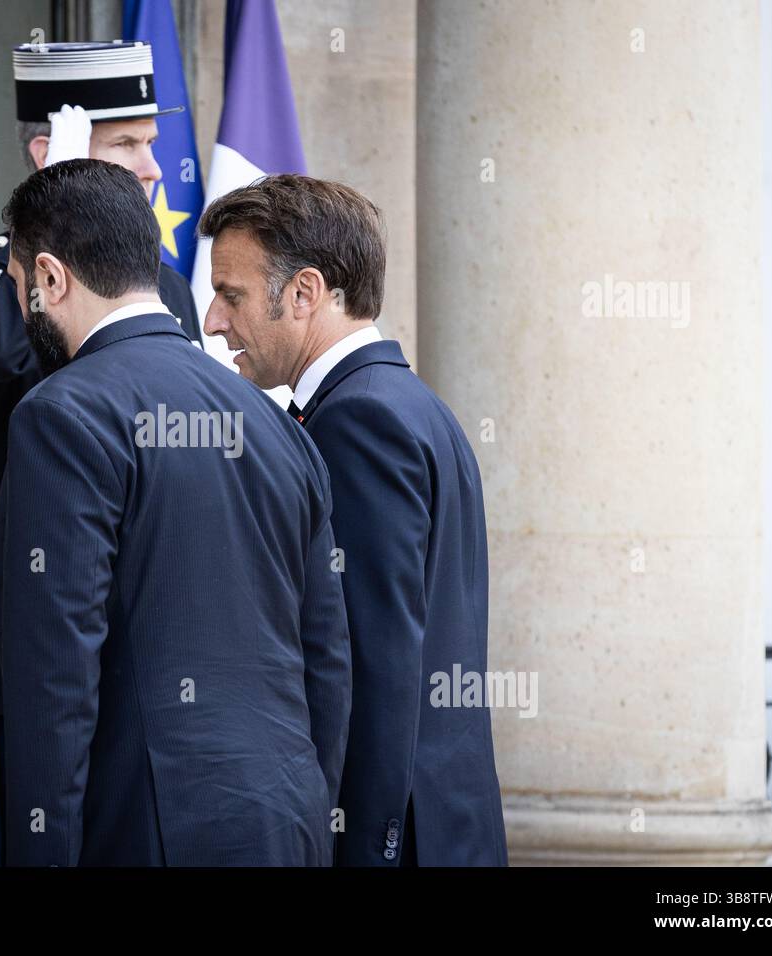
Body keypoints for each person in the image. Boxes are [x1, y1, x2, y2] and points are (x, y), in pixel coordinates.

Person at [0, 159, 351, 866]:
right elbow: (328, 661)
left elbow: (55, 679)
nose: (19, 308)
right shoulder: (276, 421)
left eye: (18, 287)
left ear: (52, 278)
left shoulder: (60, 416)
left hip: (145, 832)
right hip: (289, 821)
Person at [0, 41, 200, 866]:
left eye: (152, 142)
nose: (155, 169)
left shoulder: (168, 284)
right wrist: (53, 218)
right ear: (55, 153)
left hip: (164, 650)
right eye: (127, 144)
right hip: (44, 656)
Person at [198, 175, 509, 866]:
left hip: (397, 835)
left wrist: (361, 844)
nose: (213, 321)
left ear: (305, 293)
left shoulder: (357, 421)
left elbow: (374, 664)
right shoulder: (405, 403)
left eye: (232, 295)